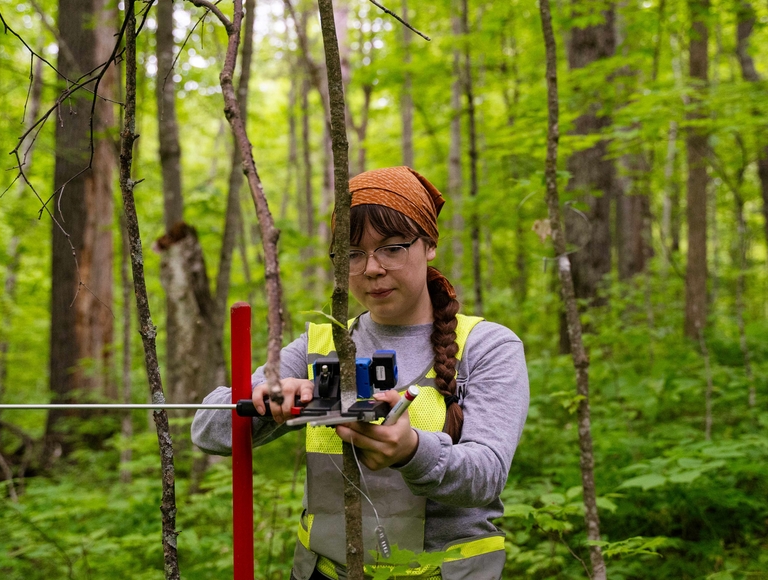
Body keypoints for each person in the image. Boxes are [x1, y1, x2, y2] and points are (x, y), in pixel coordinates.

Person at [192, 166, 529, 580]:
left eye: (391, 248)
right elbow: (206, 429)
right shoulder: (321, 343)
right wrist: (266, 398)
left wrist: (411, 451)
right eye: (352, 253)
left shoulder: (486, 345)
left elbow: (487, 474)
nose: (371, 268)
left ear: (429, 245)